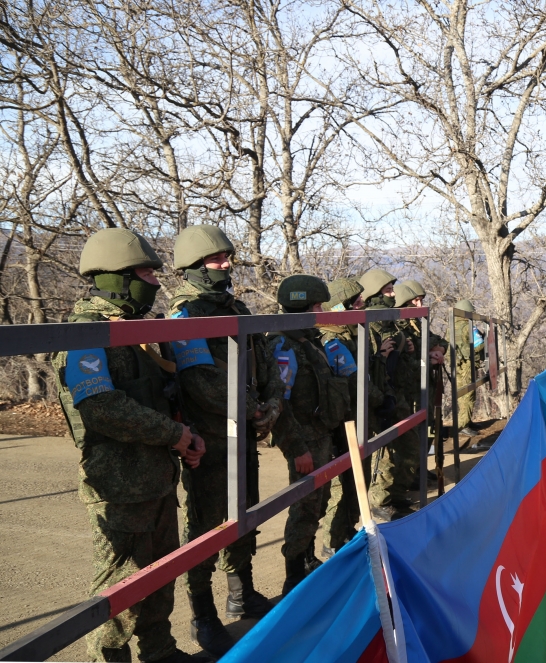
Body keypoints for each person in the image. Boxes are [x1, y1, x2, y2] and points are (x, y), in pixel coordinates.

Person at [53, 228, 209, 663]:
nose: (156, 282)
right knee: (120, 588)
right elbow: (101, 406)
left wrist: (185, 434)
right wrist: (174, 435)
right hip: (119, 486)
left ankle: (159, 651)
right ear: (116, 277)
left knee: (161, 573)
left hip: (157, 479)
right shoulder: (86, 333)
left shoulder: (134, 332)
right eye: (146, 273)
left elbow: (159, 396)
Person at [169, 225, 283, 657]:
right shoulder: (184, 314)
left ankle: (241, 592)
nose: (227, 264)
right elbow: (200, 381)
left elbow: (265, 363)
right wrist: (252, 409)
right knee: (204, 527)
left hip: (244, 434)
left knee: (245, 515)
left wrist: (270, 406)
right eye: (218, 259)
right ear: (195, 265)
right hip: (209, 440)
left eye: (227, 257)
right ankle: (203, 615)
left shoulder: (238, 307)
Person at [267, 275, 351, 595]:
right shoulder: (283, 346)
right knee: (304, 507)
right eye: (317, 306)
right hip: (303, 440)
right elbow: (279, 403)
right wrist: (296, 447)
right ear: (300, 306)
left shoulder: (308, 340)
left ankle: (307, 558)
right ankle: (293, 578)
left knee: (318, 502)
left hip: (321, 435)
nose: (322, 312)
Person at [318, 278, 377, 556]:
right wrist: (380, 399)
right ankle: (332, 541)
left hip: (356, 415)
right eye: (356, 301)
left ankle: (346, 530)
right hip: (342, 420)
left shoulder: (352, 333)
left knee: (358, 476)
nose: (362, 304)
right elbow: (354, 380)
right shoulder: (333, 340)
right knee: (343, 481)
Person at [358, 267, 414, 521]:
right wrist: (380, 354)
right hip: (380, 395)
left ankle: (396, 494)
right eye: (388, 290)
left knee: (407, 446)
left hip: (396, 393)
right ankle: (381, 501)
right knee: (385, 451)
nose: (393, 294)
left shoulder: (389, 321)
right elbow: (364, 364)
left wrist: (406, 348)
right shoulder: (369, 324)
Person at [394, 279, 447, 461]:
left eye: (421, 300)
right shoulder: (398, 326)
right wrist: (428, 355)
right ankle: (416, 470)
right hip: (411, 390)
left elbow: (441, 342)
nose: (420, 305)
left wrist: (436, 351)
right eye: (415, 301)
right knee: (413, 433)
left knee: (428, 427)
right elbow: (411, 356)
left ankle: (421, 468)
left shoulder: (417, 323)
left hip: (426, 386)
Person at [448, 299, 486, 438]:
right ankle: (462, 425)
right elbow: (479, 345)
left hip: (456, 365)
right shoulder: (467, 327)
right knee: (468, 395)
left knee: (462, 394)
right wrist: (486, 339)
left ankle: (466, 422)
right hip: (467, 365)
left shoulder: (451, 326)